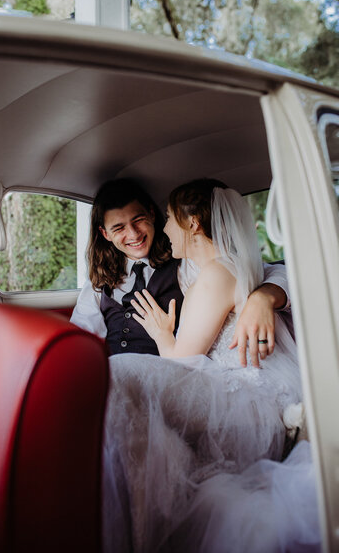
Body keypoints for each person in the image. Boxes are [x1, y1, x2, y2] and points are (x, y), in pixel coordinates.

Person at [101, 178, 319, 553]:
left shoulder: (219, 272)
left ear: (193, 225)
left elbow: (183, 361)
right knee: (123, 382)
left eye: (168, 218)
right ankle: (153, 502)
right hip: (224, 384)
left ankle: (144, 526)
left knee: (121, 374)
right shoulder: (200, 270)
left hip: (245, 397)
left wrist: (161, 335)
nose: (167, 228)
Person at [71, 178, 290, 367]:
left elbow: (264, 274)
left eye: (138, 220)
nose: (133, 234)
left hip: (169, 377)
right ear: (105, 234)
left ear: (151, 214)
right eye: (119, 228)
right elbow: (80, 338)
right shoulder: (99, 282)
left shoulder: (187, 260)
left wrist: (264, 297)